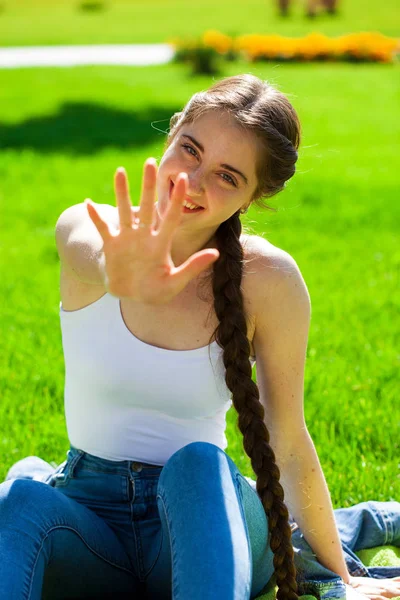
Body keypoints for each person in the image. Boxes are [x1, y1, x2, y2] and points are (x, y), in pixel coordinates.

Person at [0, 73, 399, 600]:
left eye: (227, 176)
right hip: (93, 524)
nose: (193, 180)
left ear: (253, 198)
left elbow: (288, 437)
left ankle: (354, 531)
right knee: (23, 499)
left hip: (203, 511)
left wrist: (345, 581)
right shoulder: (91, 225)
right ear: (171, 134)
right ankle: (364, 522)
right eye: (190, 150)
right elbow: (91, 253)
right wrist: (121, 274)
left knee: (198, 463)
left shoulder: (269, 280)